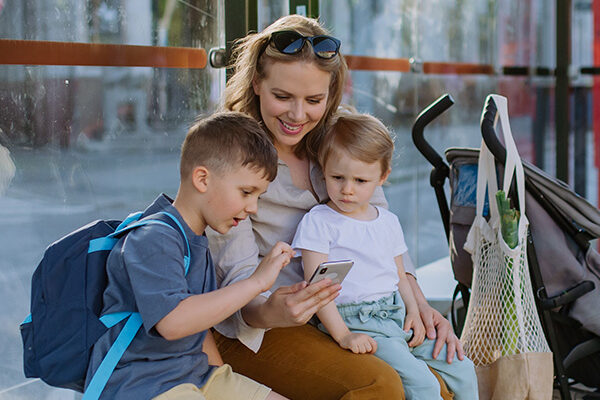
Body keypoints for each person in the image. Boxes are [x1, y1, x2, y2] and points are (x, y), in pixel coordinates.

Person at [207, 14, 462, 399]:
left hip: (353, 314)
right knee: (380, 387)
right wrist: (272, 310)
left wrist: (420, 306)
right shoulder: (231, 154)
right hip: (262, 327)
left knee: (440, 386)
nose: (297, 115)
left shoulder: (344, 135)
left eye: (313, 100)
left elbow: (381, 232)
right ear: (257, 83)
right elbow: (238, 287)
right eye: (282, 97)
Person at [85, 112, 291, 400]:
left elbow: (199, 328)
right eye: (246, 192)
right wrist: (256, 283)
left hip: (194, 375)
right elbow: (173, 323)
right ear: (202, 179)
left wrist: (220, 380)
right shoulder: (153, 238)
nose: (253, 207)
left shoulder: (195, 238)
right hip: (141, 384)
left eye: (258, 196)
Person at [291, 112, 478, 400]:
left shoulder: (387, 221)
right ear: (323, 169)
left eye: (361, 180)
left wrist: (414, 312)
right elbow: (318, 290)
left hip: (397, 315)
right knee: (423, 385)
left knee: (462, 368)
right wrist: (343, 335)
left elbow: (399, 275)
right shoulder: (319, 222)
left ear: (383, 177)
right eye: (337, 177)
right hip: (357, 320)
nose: (347, 189)